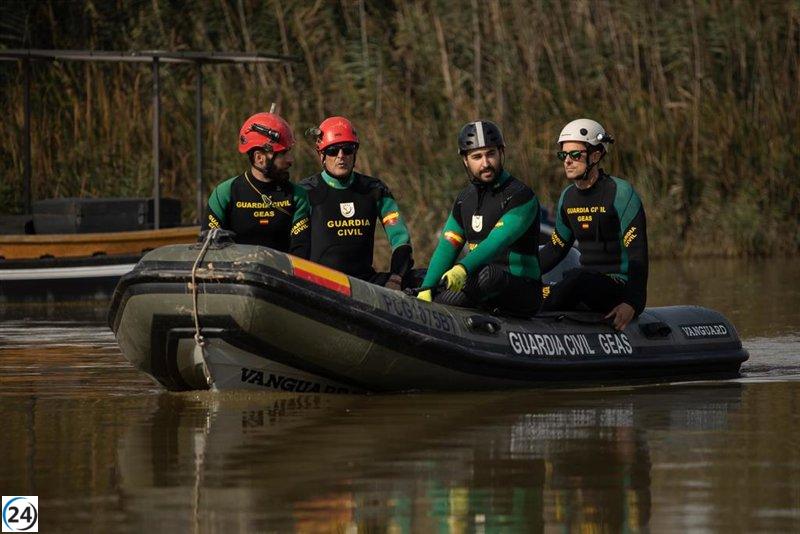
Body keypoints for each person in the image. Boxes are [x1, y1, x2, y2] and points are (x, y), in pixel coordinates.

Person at [417, 120, 542, 316]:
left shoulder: (521, 196)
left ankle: (437, 307)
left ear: (502, 152)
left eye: (490, 154)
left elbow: (497, 242)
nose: (485, 163)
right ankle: (430, 301)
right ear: (465, 160)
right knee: (418, 276)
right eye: (477, 157)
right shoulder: (464, 199)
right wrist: (427, 287)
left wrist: (462, 269)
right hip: (478, 283)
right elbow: (448, 244)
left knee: (488, 275)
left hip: (521, 289)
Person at [539, 118, 648, 331]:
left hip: (617, 287)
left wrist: (632, 303)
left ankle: (532, 306)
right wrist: (520, 270)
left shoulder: (621, 193)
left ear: (596, 156)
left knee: (577, 278)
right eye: (563, 155)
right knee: (568, 278)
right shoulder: (567, 197)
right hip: (583, 284)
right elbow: (554, 250)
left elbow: (638, 255)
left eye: (575, 155)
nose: (567, 161)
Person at [300, 116, 416, 290]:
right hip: (319, 285)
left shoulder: (375, 189)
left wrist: (396, 277)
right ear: (321, 155)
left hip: (364, 284)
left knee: (422, 278)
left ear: (355, 153)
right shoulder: (305, 191)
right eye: (332, 151)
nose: (341, 156)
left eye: (347, 150)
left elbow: (400, 238)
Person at [203, 112, 310, 256]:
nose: (290, 160)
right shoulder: (224, 194)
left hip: (282, 277)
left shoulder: (298, 197)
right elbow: (208, 250)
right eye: (283, 153)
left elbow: (301, 254)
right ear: (260, 158)